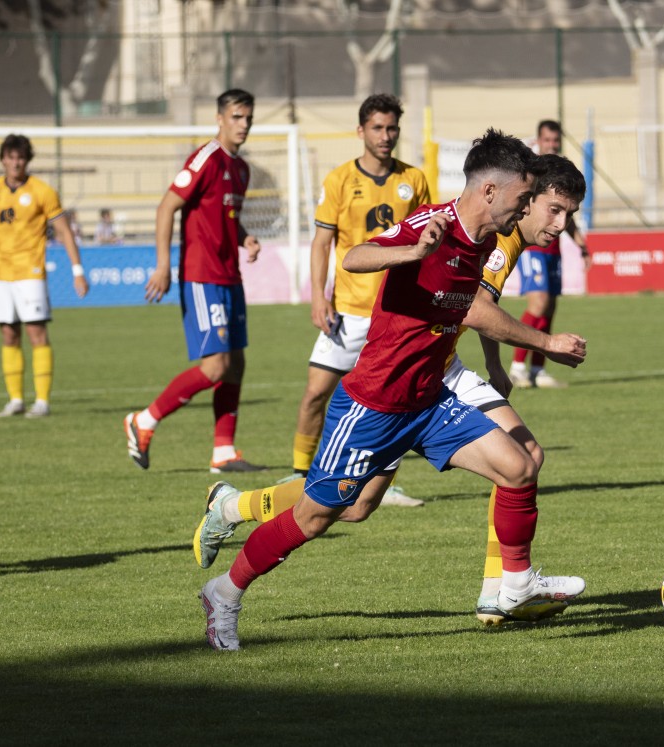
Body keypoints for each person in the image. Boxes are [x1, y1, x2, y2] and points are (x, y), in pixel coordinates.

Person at [196, 130, 589, 651]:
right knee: (320, 516)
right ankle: (224, 592)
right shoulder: (431, 226)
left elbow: (470, 303)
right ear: (491, 191)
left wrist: (496, 361)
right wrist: (411, 252)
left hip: (429, 401)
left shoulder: (489, 240)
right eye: (525, 200)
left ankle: (513, 585)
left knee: (519, 465)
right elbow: (355, 257)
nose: (528, 212)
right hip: (373, 406)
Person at [286, 93, 432, 507]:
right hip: (348, 311)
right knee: (316, 392)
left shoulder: (415, 180)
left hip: (398, 312)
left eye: (392, 129)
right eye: (378, 128)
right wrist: (318, 296)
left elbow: (427, 241)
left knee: (394, 399)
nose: (386, 136)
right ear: (360, 131)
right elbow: (322, 243)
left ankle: (379, 485)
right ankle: (299, 474)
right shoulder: (339, 180)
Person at [125, 89, 262, 473]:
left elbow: (227, 219)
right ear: (220, 118)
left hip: (229, 276)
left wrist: (244, 237)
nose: (243, 124)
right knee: (216, 365)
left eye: (248, 118)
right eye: (237, 117)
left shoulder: (241, 168)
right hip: (202, 277)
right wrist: (163, 265)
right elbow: (167, 206)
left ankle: (223, 452)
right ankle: (145, 419)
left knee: (235, 363)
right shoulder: (205, 158)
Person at [0, 134, 89, 419]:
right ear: (3, 160)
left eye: (20, 157)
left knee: (37, 333)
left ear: (27, 160)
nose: (15, 162)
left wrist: (78, 271)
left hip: (30, 272)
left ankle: (43, 401)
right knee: (9, 334)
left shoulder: (42, 191)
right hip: (1, 273)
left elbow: (64, 232)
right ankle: (16, 399)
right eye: (10, 157)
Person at [508, 119, 590, 389]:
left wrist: (580, 245)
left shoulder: (562, 175)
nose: (552, 145)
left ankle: (537, 370)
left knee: (550, 307)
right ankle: (518, 367)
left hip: (553, 251)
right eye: (548, 141)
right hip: (533, 248)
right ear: (539, 141)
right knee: (539, 304)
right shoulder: (533, 174)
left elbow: (568, 217)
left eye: (556, 141)